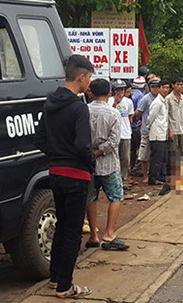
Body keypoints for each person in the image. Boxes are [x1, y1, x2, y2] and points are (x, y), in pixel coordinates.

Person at [34, 55, 95, 298]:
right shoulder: (78, 107)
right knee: (72, 231)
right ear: (81, 76)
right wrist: (90, 163)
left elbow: (39, 139)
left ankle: (55, 277)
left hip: (55, 174)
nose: (89, 83)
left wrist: (58, 155)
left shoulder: (50, 103)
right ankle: (65, 286)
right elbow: (83, 145)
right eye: (89, 78)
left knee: (62, 227)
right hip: (76, 175)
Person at [86, 79, 130, 252]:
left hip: (88, 163)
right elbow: (113, 142)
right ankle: (109, 233)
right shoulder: (113, 114)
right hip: (109, 163)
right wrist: (99, 152)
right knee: (116, 196)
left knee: (91, 197)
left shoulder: (84, 111)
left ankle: (93, 236)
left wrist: (90, 153)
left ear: (90, 92)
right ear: (109, 93)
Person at [134, 77, 161, 181]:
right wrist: (143, 120)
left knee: (156, 154)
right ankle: (145, 176)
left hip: (158, 130)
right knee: (144, 155)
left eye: (157, 87)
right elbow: (138, 112)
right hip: (146, 130)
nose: (155, 89)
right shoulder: (145, 98)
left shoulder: (161, 98)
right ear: (149, 88)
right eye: (153, 87)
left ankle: (153, 175)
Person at [109, 80, 134, 189]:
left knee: (125, 158)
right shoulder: (109, 101)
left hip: (126, 133)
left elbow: (130, 117)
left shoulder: (128, 102)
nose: (120, 92)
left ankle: (124, 179)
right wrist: (115, 103)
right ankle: (114, 180)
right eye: (118, 89)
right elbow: (109, 115)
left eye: (122, 89)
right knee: (115, 158)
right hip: (114, 134)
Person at [148, 79, 170, 185]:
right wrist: (149, 127)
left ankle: (161, 177)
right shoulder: (157, 102)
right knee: (156, 158)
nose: (166, 90)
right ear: (159, 88)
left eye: (167, 88)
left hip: (163, 133)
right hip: (156, 133)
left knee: (163, 157)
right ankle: (153, 178)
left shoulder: (164, 101)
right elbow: (151, 117)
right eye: (163, 87)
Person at [129, 76, 145, 173]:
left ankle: (130, 167)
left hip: (130, 126)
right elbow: (139, 110)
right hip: (137, 125)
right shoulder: (140, 96)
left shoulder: (130, 93)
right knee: (140, 148)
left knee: (131, 149)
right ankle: (137, 169)